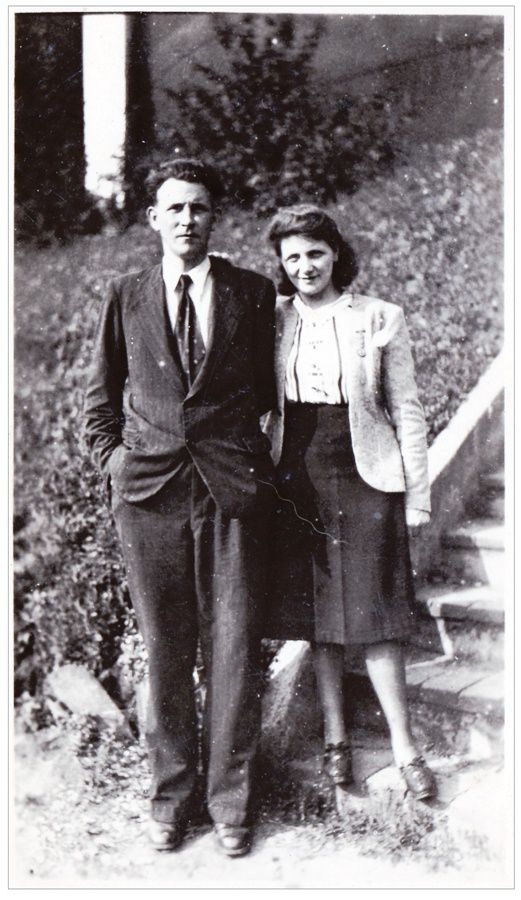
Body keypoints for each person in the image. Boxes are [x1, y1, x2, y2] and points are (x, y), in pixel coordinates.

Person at [84, 158, 276, 856]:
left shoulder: (252, 293)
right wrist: (118, 464)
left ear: (213, 215)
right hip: (150, 497)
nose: (187, 219)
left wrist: (250, 465)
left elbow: (268, 394)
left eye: (198, 207)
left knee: (234, 648)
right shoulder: (125, 296)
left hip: (229, 494)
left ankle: (230, 806)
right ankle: (170, 799)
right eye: (175, 208)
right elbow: (100, 400)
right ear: (153, 219)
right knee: (166, 649)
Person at [262, 204, 436, 800]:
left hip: (365, 471)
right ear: (282, 264)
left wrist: (418, 494)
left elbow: (406, 408)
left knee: (378, 614)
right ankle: (336, 738)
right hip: (297, 474)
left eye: (315, 252)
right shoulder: (274, 318)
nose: (305, 266)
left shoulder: (380, 316)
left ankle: (405, 747)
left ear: (335, 253)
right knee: (320, 615)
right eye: (292, 257)